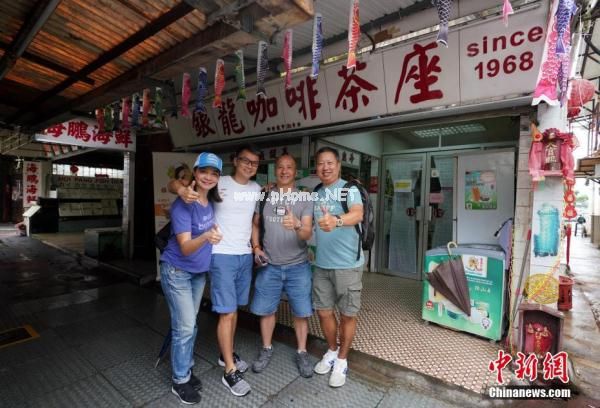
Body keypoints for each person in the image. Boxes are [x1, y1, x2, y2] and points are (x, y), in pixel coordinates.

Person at [170, 145, 261, 397]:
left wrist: (255, 247)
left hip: (244, 256)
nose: (249, 165)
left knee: (234, 312)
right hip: (221, 256)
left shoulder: (256, 190)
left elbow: (254, 220)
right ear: (235, 161)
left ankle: (225, 355)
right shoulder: (217, 183)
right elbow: (176, 183)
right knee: (227, 312)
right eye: (245, 160)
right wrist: (178, 188)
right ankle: (230, 371)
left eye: (254, 163)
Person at [160, 152, 223, 405]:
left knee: (190, 325)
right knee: (185, 326)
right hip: (177, 271)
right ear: (195, 173)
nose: (209, 177)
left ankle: (185, 368)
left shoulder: (211, 202)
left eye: (214, 173)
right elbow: (185, 247)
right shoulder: (183, 203)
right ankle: (180, 379)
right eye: (204, 171)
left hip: (198, 273)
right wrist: (207, 236)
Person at [249, 154, 314, 378]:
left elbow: (307, 233)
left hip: (298, 266)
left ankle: (302, 351)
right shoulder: (264, 195)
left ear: (296, 172)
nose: (284, 171)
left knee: (301, 312)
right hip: (270, 265)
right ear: (275, 171)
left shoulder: (304, 198)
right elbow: (255, 224)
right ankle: (266, 349)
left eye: (289, 168)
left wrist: (297, 225)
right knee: (267, 311)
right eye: (280, 167)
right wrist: (256, 247)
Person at [312, 146, 364, 388]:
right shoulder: (316, 192)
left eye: (330, 162)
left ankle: (342, 360)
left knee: (347, 315)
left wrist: (337, 220)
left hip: (347, 266)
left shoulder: (349, 189)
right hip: (321, 264)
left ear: (338, 165)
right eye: (321, 163)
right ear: (316, 167)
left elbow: (357, 214)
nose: (326, 167)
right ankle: (332, 350)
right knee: (323, 311)